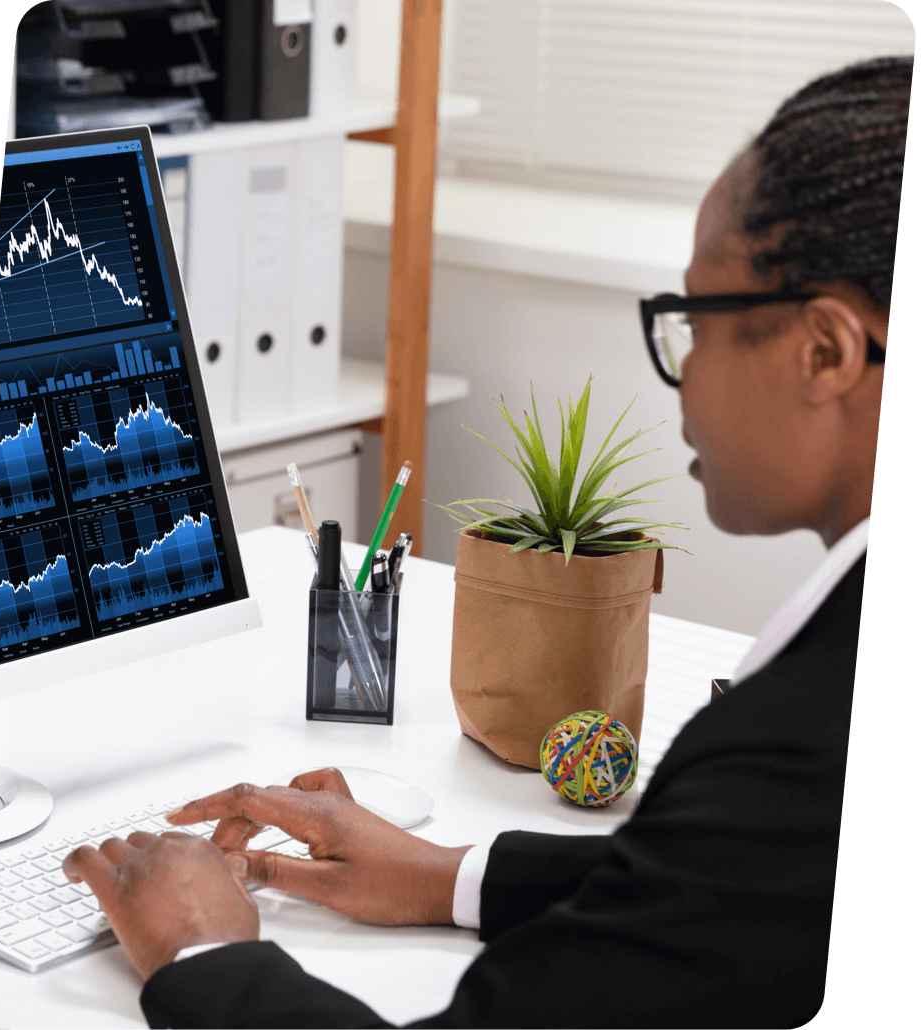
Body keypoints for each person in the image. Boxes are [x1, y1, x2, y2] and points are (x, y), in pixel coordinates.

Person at [62, 56, 909, 1028]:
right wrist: (445, 874)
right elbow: (738, 893)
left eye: (689, 320)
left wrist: (201, 949)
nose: (682, 368)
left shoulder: (791, 755)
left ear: (825, 352)